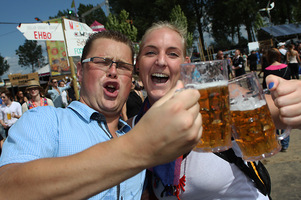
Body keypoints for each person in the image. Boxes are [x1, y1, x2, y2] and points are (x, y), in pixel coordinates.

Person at [0, 30, 202, 199]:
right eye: (102, 62)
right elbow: (7, 188)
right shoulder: (47, 120)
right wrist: (138, 149)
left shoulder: (134, 130)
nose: (113, 71)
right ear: (79, 71)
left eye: (123, 66)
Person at [133, 21, 301, 200]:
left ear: (186, 65)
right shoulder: (135, 127)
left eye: (172, 54)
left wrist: (292, 101)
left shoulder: (216, 102)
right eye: (150, 52)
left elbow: (280, 111)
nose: (160, 61)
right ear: (137, 64)